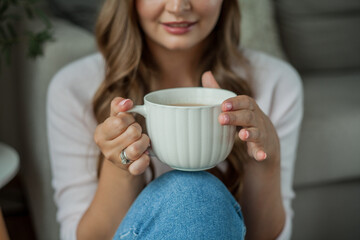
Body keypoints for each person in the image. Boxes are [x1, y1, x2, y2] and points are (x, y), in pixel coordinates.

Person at [47, 0, 303, 239]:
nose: (178, 6)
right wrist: (121, 167)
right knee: (193, 191)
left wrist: (267, 162)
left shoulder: (276, 83)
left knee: (195, 191)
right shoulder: (74, 88)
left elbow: (264, 235)